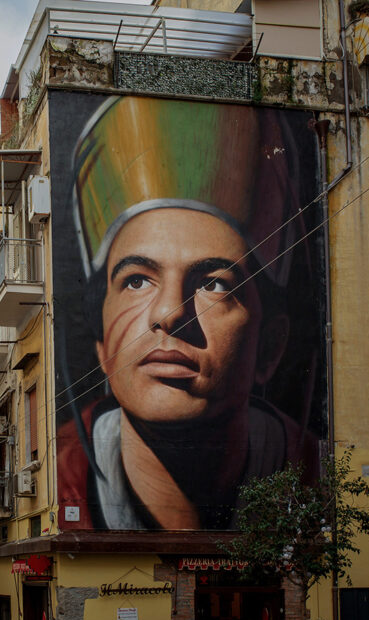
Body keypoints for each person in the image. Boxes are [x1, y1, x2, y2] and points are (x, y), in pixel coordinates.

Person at [57, 96, 321, 530]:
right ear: (102, 342)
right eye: (137, 280)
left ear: (271, 346)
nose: (169, 313)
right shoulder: (63, 478)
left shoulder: (315, 477)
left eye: (213, 283)